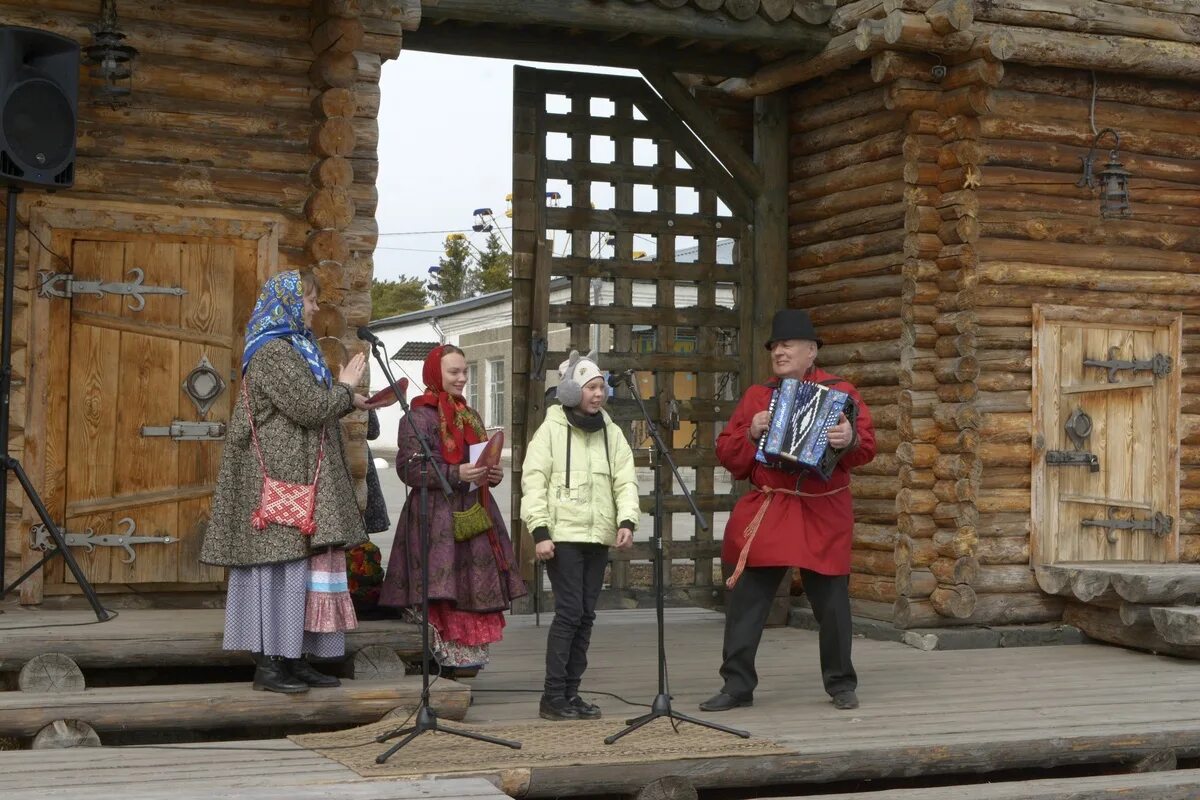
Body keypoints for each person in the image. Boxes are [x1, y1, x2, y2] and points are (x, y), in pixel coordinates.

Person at [201, 270, 371, 694]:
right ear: (289, 302)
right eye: (310, 300)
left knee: (299, 568)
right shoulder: (272, 352)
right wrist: (345, 388)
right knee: (276, 569)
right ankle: (269, 666)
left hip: (296, 474)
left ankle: (294, 659)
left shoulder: (299, 348)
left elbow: (314, 402)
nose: (315, 308)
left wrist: (346, 395)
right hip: (275, 477)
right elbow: (310, 407)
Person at [699, 309, 876, 713]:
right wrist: (751, 432)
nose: (779, 352)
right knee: (748, 599)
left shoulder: (842, 393)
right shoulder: (757, 397)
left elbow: (866, 447)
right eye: (775, 346)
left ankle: (841, 683)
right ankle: (737, 685)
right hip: (772, 506)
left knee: (832, 604)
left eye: (787, 345)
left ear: (811, 352)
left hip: (821, 510)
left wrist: (847, 439)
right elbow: (729, 455)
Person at [379, 345, 526, 674]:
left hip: (471, 514)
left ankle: (463, 666)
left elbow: (476, 459)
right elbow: (408, 469)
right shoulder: (416, 418)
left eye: (464, 372)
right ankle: (437, 665)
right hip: (434, 520)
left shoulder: (468, 415)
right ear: (435, 374)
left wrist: (490, 473)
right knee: (441, 592)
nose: (461, 378)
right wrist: (454, 473)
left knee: (470, 589)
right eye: (453, 372)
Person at [521, 350, 638, 721]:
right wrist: (540, 531)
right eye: (590, 387)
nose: (598, 393)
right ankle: (552, 696)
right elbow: (534, 481)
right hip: (563, 537)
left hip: (597, 536)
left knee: (586, 615)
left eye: (601, 386)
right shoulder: (550, 430)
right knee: (570, 613)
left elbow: (625, 479)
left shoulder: (611, 432)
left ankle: (571, 694)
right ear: (572, 392)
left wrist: (627, 521)